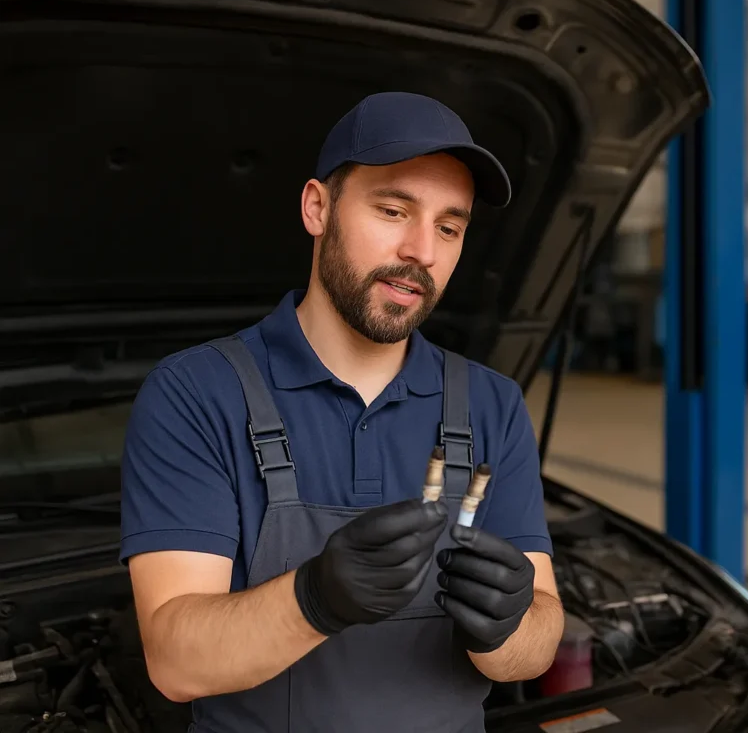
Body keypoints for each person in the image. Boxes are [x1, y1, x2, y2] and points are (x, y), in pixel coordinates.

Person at [119, 91, 564, 732]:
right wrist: (313, 597)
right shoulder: (196, 394)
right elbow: (175, 663)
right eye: (392, 210)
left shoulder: (493, 404)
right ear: (317, 207)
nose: (422, 251)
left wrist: (505, 629)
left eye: (449, 226)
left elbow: (539, 642)